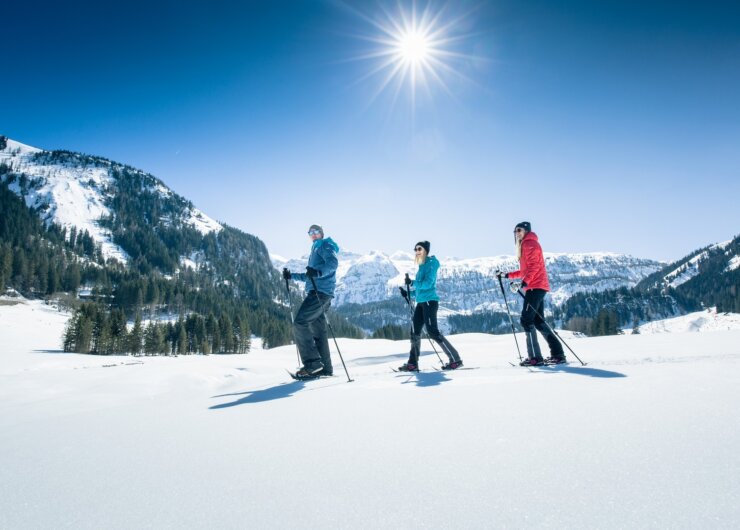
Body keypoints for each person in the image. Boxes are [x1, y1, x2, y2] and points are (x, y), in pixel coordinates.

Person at [497, 222, 566, 366]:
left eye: (519, 230)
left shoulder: (529, 244)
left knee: (526, 320)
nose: (517, 233)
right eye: (515, 231)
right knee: (538, 321)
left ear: (526, 230)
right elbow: (524, 270)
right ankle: (558, 354)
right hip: (536, 286)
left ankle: (535, 357)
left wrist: (523, 283)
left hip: (535, 286)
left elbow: (534, 267)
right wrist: (507, 275)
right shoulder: (526, 244)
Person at [282, 224, 339, 378]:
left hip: (319, 293)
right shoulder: (315, 249)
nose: (313, 234)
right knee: (319, 331)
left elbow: (332, 264)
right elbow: (310, 275)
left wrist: (319, 272)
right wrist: (291, 276)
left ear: (321, 233)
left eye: (316, 231)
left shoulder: (325, 245)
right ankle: (325, 368)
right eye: (310, 233)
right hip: (323, 293)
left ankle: (313, 363)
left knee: (300, 323)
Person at [398, 241, 463, 371]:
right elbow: (420, 289)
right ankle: (413, 363)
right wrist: (409, 293)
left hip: (430, 302)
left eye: (419, 249)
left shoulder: (432, 264)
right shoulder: (421, 266)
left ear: (426, 250)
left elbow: (427, 284)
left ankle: (455, 359)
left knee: (433, 332)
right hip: (421, 303)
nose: (417, 251)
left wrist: (412, 283)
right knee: (414, 331)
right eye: (415, 249)